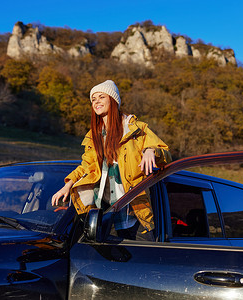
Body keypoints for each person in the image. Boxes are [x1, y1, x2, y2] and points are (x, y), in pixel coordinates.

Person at [51, 80, 172, 240]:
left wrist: (151, 150)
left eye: (101, 97)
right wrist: (68, 184)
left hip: (134, 213)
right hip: (103, 214)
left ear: (113, 100)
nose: (96, 102)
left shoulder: (136, 130)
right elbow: (86, 167)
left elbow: (166, 155)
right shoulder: (94, 135)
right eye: (93, 99)